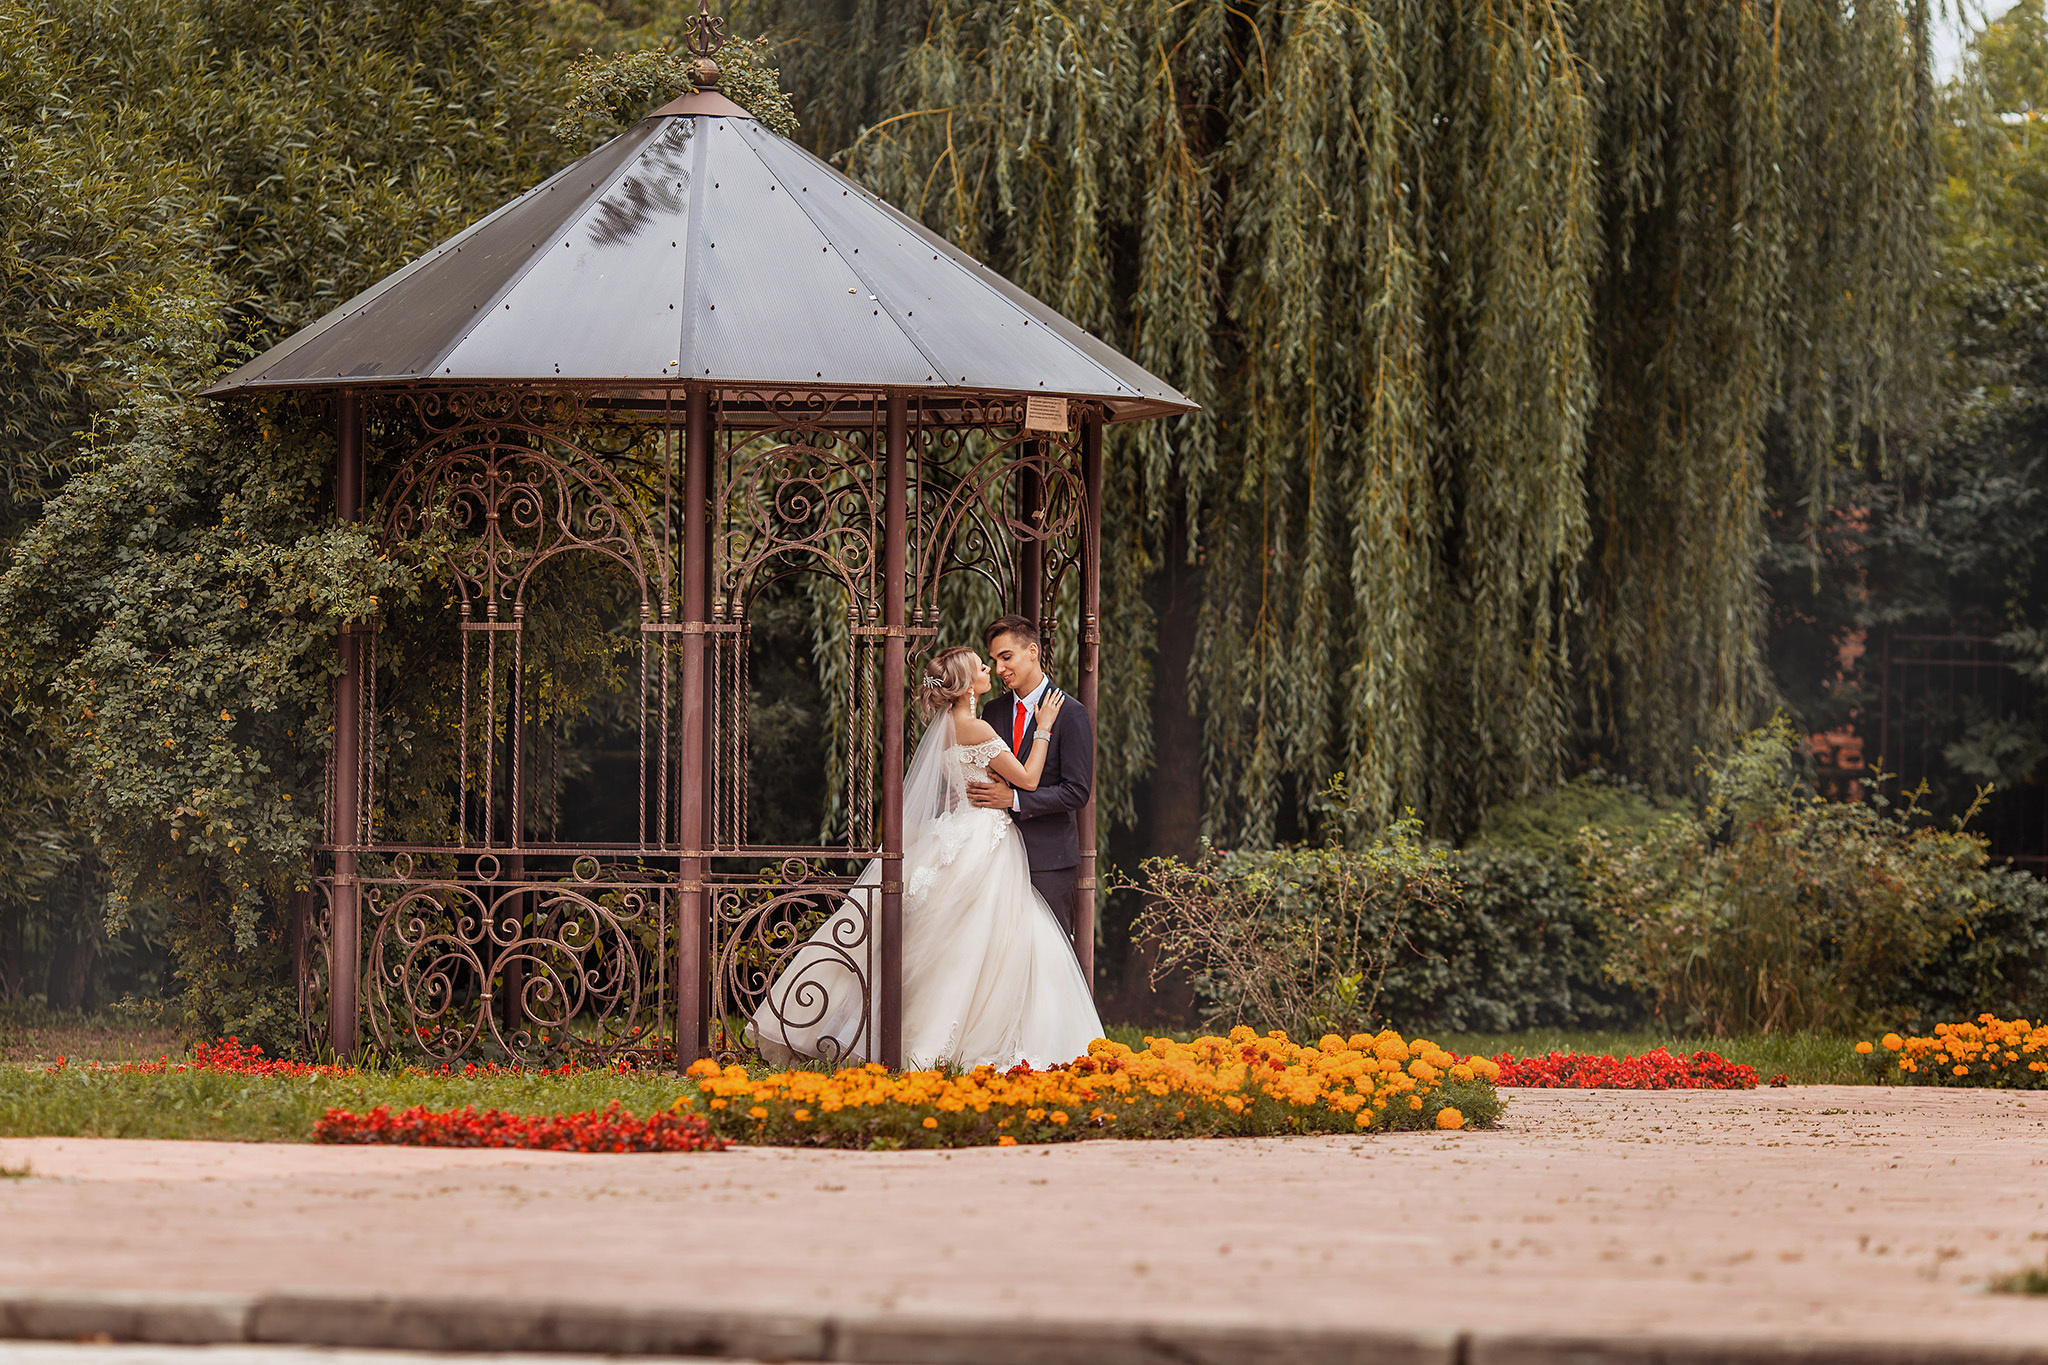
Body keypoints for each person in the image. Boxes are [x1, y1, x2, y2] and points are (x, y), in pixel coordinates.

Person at [747, 643, 1104, 1070]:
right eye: (981, 665)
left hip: (964, 830)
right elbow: (1026, 777)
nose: (989, 669)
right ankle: (967, 1035)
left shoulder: (952, 726)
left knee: (965, 935)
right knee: (985, 936)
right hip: (983, 836)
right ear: (968, 683)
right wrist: (1044, 727)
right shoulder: (978, 727)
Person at [965, 615, 1094, 942]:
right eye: (994, 660)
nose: (999, 669)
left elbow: (1076, 792)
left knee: (1048, 953)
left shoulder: (1071, 712)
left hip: (1048, 859)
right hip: (995, 856)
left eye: (1006, 657)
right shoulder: (992, 711)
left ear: (1032, 651)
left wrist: (1015, 800)